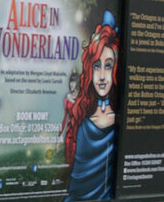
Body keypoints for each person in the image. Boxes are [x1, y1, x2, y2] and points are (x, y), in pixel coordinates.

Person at [63, 11, 120, 202]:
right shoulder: (83, 122)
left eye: (108, 65)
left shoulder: (119, 122)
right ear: (89, 70)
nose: (102, 76)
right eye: (97, 66)